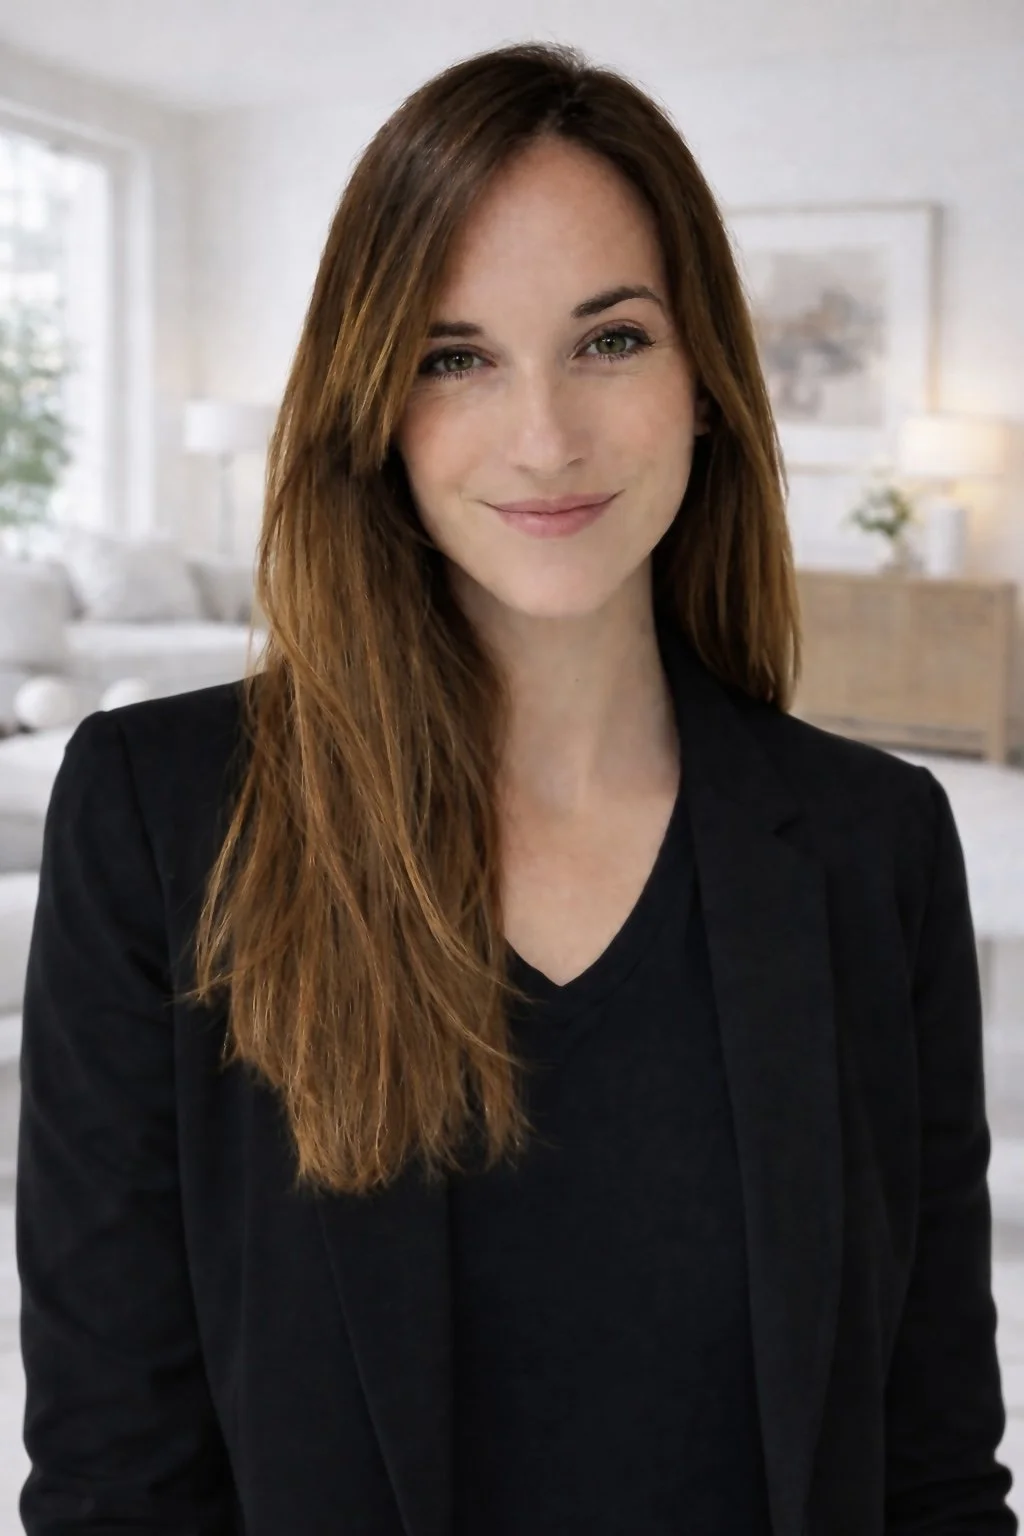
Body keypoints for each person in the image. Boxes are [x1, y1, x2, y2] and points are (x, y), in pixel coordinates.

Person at [15, 38, 1017, 1536]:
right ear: (376, 404)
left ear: (703, 384)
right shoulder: (163, 818)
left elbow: (933, 1462)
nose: (544, 436)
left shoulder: (876, 846)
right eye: (455, 355)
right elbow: (117, 1482)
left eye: (610, 340)